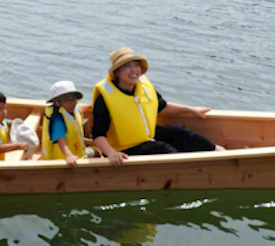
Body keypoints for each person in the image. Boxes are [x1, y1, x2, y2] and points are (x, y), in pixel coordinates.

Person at [91, 47, 225, 166]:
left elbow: (162, 106)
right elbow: (98, 135)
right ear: (117, 72)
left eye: (136, 65)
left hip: (147, 136)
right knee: (164, 150)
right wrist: (112, 154)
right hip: (126, 149)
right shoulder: (105, 97)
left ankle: (220, 153)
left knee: (180, 132)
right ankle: (195, 169)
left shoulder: (142, 86)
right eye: (127, 66)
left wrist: (191, 110)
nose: (134, 70)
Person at [42, 81, 88, 167]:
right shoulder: (58, 119)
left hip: (78, 152)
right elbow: (60, 140)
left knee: (97, 152)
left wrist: (90, 107)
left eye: (73, 100)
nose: (72, 103)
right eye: (67, 100)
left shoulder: (73, 111)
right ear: (57, 103)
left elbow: (80, 110)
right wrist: (69, 155)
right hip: (62, 159)